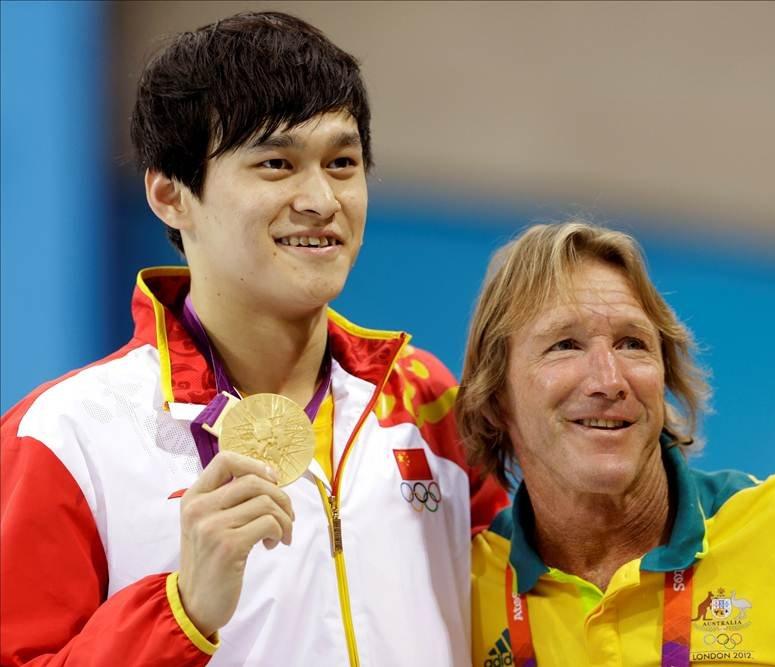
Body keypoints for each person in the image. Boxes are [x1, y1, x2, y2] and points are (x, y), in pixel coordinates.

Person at [0, 11, 505, 666]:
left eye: (342, 162)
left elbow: (525, 618)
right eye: (276, 163)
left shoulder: (426, 403)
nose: (322, 199)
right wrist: (180, 611)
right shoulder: (67, 439)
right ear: (169, 193)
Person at [456, 221, 775, 666]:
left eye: (633, 344)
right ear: (495, 399)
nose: (609, 380)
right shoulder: (460, 591)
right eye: (565, 345)